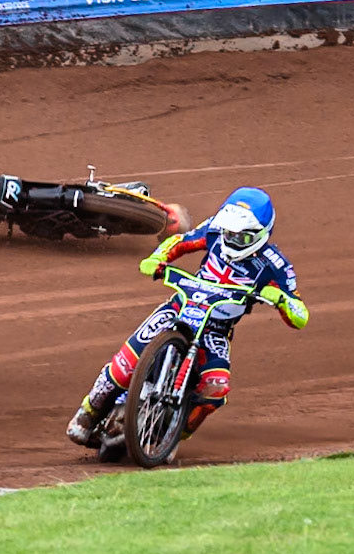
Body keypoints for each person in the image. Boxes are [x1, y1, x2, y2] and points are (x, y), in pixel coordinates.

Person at [66, 187, 309, 447]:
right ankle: (88, 413)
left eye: (241, 237)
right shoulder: (215, 229)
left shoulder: (276, 265)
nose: (231, 239)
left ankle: (172, 437)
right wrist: (157, 258)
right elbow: (181, 241)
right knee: (127, 362)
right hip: (180, 307)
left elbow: (300, 315)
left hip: (216, 330)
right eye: (229, 233)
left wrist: (283, 300)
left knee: (215, 389)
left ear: (261, 235)